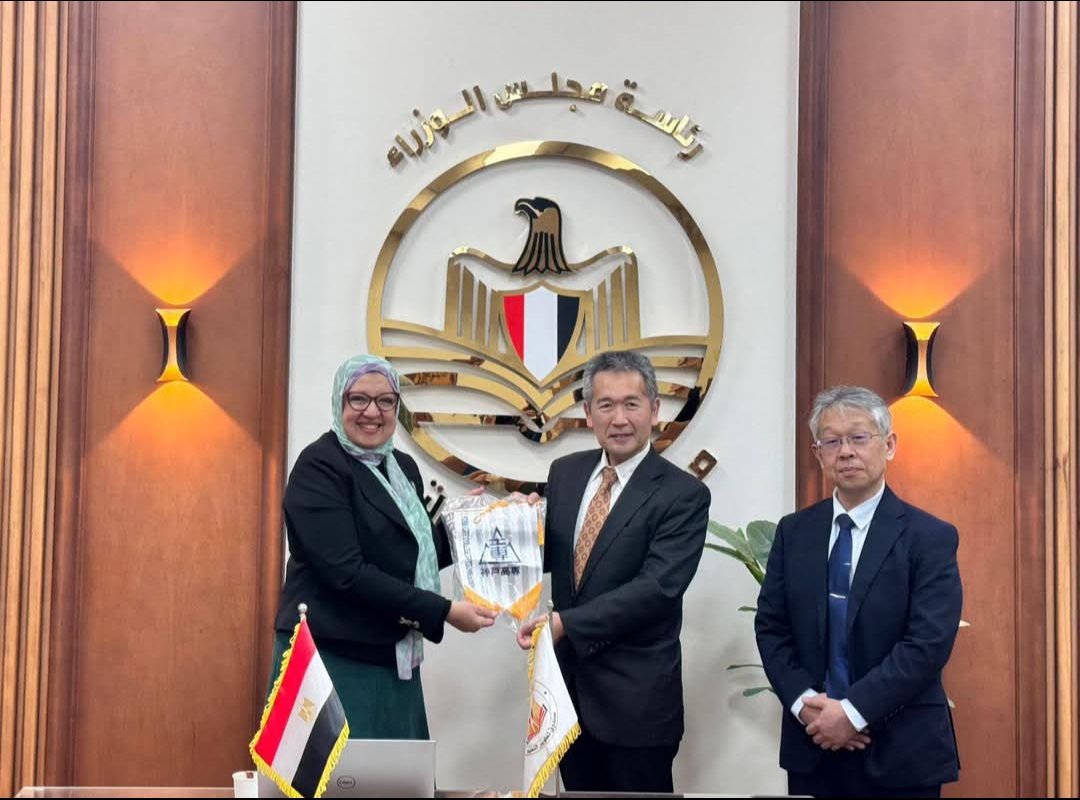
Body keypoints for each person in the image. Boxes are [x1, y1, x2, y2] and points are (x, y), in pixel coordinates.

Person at [270, 354, 497, 738]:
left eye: (385, 400)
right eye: (359, 399)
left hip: (389, 661)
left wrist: (476, 521)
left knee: (397, 773)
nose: (372, 412)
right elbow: (347, 574)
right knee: (335, 774)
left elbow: (414, 555)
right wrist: (443, 611)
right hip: (330, 661)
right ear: (339, 402)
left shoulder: (401, 468)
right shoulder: (319, 467)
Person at [516, 350, 711, 793]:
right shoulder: (566, 473)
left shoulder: (683, 494)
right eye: (606, 405)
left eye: (631, 404)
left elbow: (656, 589)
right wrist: (508, 521)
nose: (619, 419)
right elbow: (550, 554)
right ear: (588, 413)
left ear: (654, 409)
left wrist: (566, 624)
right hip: (566, 700)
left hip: (637, 706)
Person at [755, 385, 962, 798]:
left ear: (889, 445)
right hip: (814, 746)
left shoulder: (929, 537)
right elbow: (771, 628)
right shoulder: (794, 533)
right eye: (832, 441)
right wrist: (806, 705)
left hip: (901, 753)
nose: (846, 452)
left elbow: (927, 643)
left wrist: (851, 713)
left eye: (858, 437)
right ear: (818, 454)